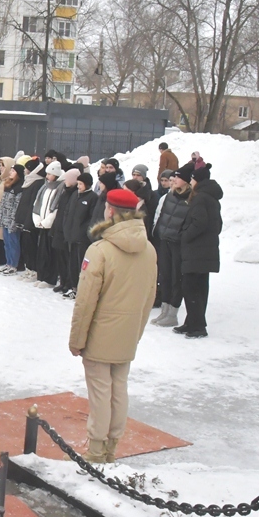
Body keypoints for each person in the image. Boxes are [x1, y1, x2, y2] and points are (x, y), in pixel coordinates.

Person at [68, 188, 157, 464]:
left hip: (100, 333)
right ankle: (111, 447)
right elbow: (148, 296)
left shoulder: (100, 250)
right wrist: (137, 331)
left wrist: (77, 339)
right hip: (128, 330)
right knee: (119, 389)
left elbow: (85, 301)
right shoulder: (149, 249)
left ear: (109, 211)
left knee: (100, 393)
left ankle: (96, 449)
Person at [176, 164, 222, 338]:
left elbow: (199, 223)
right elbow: (218, 225)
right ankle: (192, 322)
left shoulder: (201, 198)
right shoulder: (211, 198)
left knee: (191, 288)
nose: (191, 181)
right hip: (206, 251)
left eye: (193, 179)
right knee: (200, 288)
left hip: (196, 251)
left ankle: (197, 326)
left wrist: (185, 236)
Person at [149, 168, 191, 328]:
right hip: (164, 240)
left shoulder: (190, 198)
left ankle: (172, 313)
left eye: (176, 179)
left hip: (177, 243)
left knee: (176, 278)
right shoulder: (169, 196)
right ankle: (165, 310)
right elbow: (161, 216)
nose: (173, 182)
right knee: (164, 276)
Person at [64, 172, 99, 294]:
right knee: (72, 262)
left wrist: (83, 231)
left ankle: (81, 288)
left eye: (80, 184)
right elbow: (67, 212)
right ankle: (73, 286)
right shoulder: (75, 195)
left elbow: (91, 218)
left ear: (87, 184)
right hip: (71, 235)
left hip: (82, 238)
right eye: (77, 183)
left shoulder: (93, 197)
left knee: (81, 263)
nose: (78, 186)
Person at [31, 162, 64, 286]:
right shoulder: (44, 187)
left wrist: (46, 222)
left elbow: (56, 207)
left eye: (50, 174)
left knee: (50, 252)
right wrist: (38, 220)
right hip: (42, 224)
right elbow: (37, 204)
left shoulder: (59, 188)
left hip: (50, 226)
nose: (47, 176)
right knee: (42, 252)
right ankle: (41, 275)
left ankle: (49, 278)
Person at [0, 164, 24, 275]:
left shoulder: (19, 188)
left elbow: (16, 207)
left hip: (12, 220)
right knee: (7, 242)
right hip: (5, 218)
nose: (10, 172)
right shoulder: (9, 185)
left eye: (13, 171)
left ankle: (13, 265)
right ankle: (8, 262)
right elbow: (2, 204)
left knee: (13, 243)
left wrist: (13, 221)